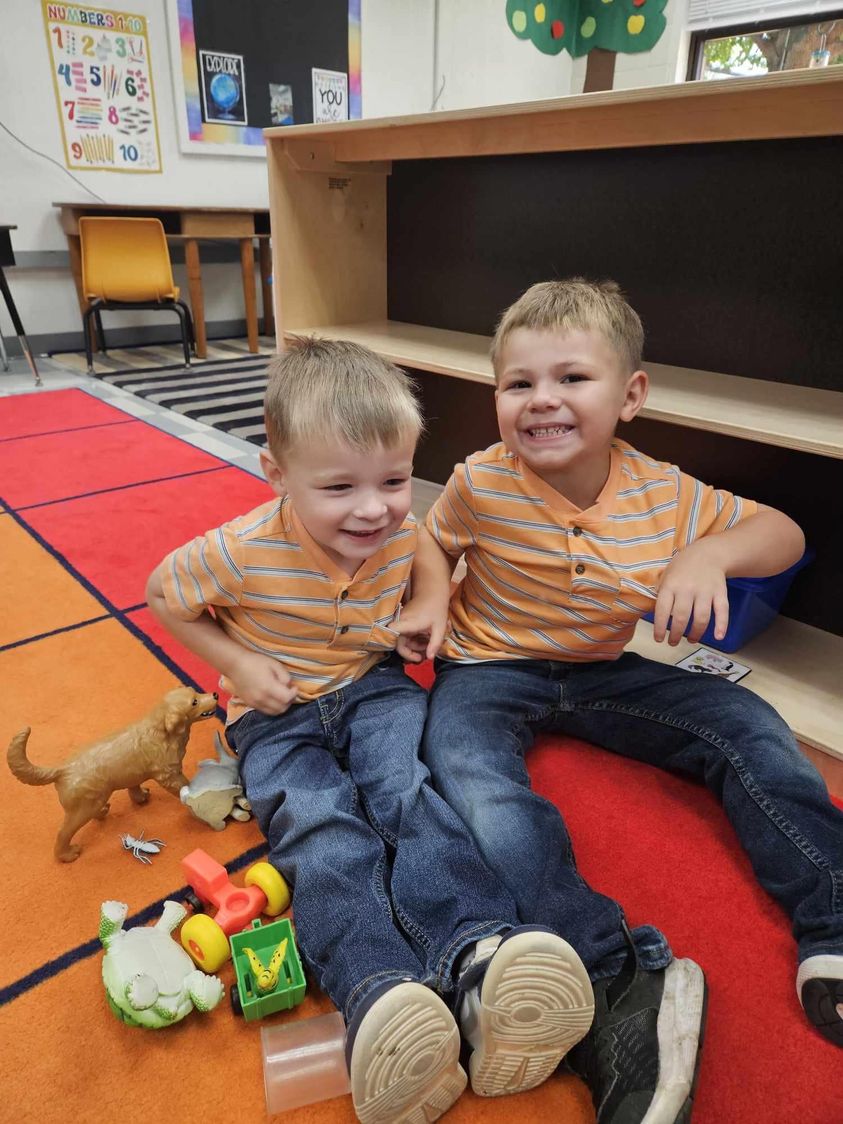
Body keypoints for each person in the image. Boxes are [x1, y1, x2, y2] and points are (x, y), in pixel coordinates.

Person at [410, 279, 843, 1123]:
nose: (542, 401)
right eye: (517, 384)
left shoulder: (664, 490)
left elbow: (783, 533)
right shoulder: (478, 480)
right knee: (463, 772)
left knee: (746, 724)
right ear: (495, 397)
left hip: (603, 671)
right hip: (487, 667)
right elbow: (430, 540)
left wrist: (708, 556)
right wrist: (431, 597)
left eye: (571, 379)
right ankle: (612, 972)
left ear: (630, 396)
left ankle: (832, 916)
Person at [146, 338, 596, 1124]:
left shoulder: (392, 522)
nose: (373, 508)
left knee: (410, 797)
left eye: (392, 480)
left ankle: (482, 953)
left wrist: (430, 605)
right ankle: (380, 993)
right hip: (274, 717)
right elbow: (164, 594)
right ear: (276, 474)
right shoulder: (238, 551)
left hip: (375, 687)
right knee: (321, 827)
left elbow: (422, 542)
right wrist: (236, 664)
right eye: (339, 487)